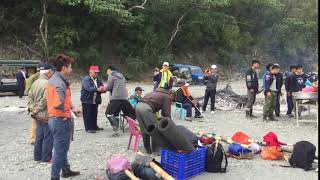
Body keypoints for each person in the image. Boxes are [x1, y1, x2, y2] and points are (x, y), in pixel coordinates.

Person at [47, 54, 80, 180]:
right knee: (60, 151)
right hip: (60, 120)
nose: (71, 70)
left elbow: (65, 99)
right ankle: (54, 177)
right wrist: (67, 113)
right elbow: (58, 104)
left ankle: (65, 170)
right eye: (70, 67)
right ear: (64, 68)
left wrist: (72, 108)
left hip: (54, 119)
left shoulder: (55, 79)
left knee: (61, 147)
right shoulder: (59, 83)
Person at [136, 88, 176, 154]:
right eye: (172, 100)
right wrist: (170, 124)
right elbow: (166, 113)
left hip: (138, 106)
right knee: (155, 130)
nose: (171, 101)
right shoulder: (168, 96)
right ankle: (156, 151)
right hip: (146, 109)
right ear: (172, 95)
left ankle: (148, 150)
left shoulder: (157, 92)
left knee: (144, 129)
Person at [28, 63, 55, 163]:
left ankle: (37, 157)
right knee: (48, 136)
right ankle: (46, 158)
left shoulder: (35, 83)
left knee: (39, 136)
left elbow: (29, 97)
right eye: (52, 72)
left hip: (37, 114)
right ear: (48, 72)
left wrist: (32, 108)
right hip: (45, 114)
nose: (53, 73)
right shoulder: (49, 83)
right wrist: (38, 108)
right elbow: (45, 100)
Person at [104, 65, 135, 137]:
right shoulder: (121, 76)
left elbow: (108, 87)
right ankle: (119, 129)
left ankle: (116, 129)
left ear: (109, 70)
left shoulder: (111, 76)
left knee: (108, 113)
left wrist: (103, 88)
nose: (107, 72)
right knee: (116, 113)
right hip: (124, 98)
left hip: (116, 98)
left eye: (107, 71)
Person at [80, 65, 106, 133]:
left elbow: (102, 86)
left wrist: (103, 89)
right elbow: (88, 88)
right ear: (90, 72)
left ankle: (94, 126)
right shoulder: (86, 79)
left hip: (95, 100)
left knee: (94, 113)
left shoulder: (98, 79)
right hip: (87, 100)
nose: (97, 74)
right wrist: (98, 89)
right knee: (87, 114)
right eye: (95, 72)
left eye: (97, 72)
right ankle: (88, 128)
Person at [25, 62, 43, 145]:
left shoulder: (32, 77)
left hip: (35, 102)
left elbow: (27, 91)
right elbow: (28, 90)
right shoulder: (34, 78)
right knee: (36, 121)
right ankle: (33, 138)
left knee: (36, 121)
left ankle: (34, 138)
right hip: (37, 102)